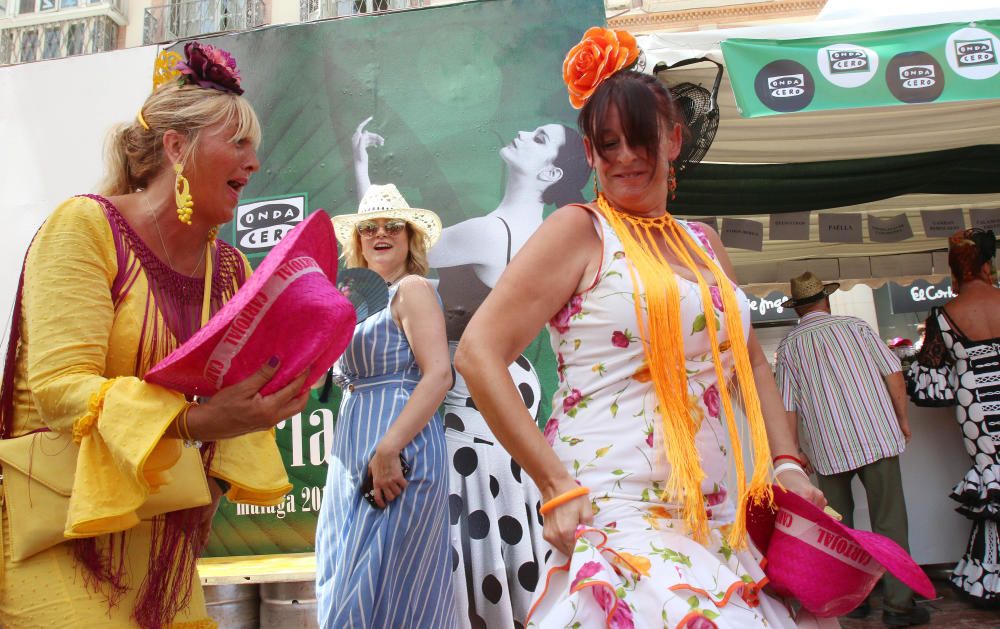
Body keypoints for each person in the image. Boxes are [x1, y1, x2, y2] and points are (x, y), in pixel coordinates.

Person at [456, 27, 831, 628]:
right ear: (588, 153)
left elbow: (750, 361)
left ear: (674, 138)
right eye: (608, 144)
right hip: (615, 501)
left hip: (720, 506)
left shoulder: (704, 243)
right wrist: (554, 484)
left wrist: (786, 462)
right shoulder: (579, 231)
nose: (625, 156)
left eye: (639, 139)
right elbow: (478, 353)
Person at [0, 43, 304, 629]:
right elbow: (62, 388)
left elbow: (230, 410)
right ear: (177, 148)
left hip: (163, 542)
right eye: (238, 143)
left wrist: (243, 425)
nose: (254, 163)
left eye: (254, 148)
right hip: (58, 532)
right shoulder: (86, 226)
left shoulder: (233, 270)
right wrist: (195, 423)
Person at [353, 117, 590, 627]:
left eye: (541, 138)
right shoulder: (543, 235)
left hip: (470, 406)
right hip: (506, 399)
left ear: (550, 176)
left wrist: (362, 177)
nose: (524, 133)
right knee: (506, 559)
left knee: (462, 572)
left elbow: (390, 263)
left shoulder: (493, 233)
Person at [316, 183, 456, 628]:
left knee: (393, 589)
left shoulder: (411, 289)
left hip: (401, 447)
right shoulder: (353, 301)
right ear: (357, 242)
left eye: (393, 226)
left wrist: (389, 449)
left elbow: (438, 374)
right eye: (369, 228)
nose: (381, 234)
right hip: (352, 448)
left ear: (409, 237)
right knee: (342, 574)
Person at [775, 271, 929, 627]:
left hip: (828, 450)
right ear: (826, 300)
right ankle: (898, 606)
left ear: (798, 308)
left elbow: (788, 406)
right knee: (889, 522)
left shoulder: (789, 346)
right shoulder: (856, 327)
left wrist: (794, 452)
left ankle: (849, 602)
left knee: (838, 532)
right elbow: (894, 373)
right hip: (875, 436)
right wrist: (902, 420)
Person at [907, 228, 1000, 608]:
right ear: (987, 264)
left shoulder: (944, 315)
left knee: (992, 482)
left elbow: (931, 385)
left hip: (976, 407)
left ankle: (990, 576)